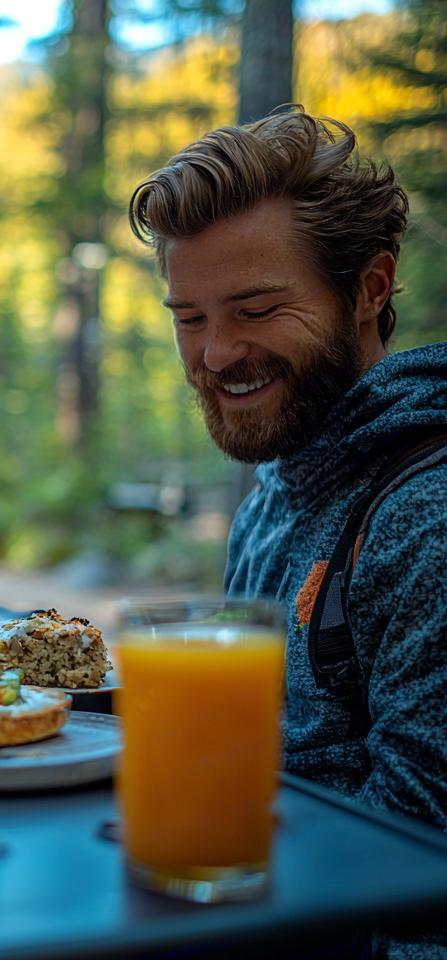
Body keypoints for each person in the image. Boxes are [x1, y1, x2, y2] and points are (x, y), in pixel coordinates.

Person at [129, 107, 447, 833]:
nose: (216, 353)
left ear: (370, 290)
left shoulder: (427, 516)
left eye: (258, 308)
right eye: (190, 318)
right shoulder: (277, 488)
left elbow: (420, 854)